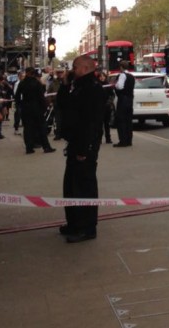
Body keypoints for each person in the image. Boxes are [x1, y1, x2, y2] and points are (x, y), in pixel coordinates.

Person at [59, 55, 106, 243]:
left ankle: (86, 227)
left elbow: (90, 122)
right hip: (75, 143)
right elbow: (63, 105)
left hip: (84, 146)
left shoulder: (93, 89)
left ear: (86, 68)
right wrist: (64, 84)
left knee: (83, 187)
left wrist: (84, 149)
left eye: (76, 66)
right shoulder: (78, 86)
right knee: (71, 186)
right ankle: (73, 222)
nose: (73, 69)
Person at [15, 67, 56, 154]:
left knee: (27, 129)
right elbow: (41, 97)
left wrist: (20, 105)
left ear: (26, 73)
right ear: (33, 73)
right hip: (37, 108)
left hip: (26, 108)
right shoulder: (37, 83)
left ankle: (29, 148)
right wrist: (44, 107)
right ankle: (46, 147)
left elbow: (17, 96)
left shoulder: (22, 83)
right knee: (41, 128)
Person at [113, 60, 135, 147]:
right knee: (128, 120)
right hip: (130, 100)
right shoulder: (131, 76)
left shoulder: (122, 75)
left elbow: (120, 86)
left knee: (121, 120)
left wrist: (115, 85)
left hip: (123, 100)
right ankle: (129, 140)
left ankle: (123, 141)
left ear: (121, 67)